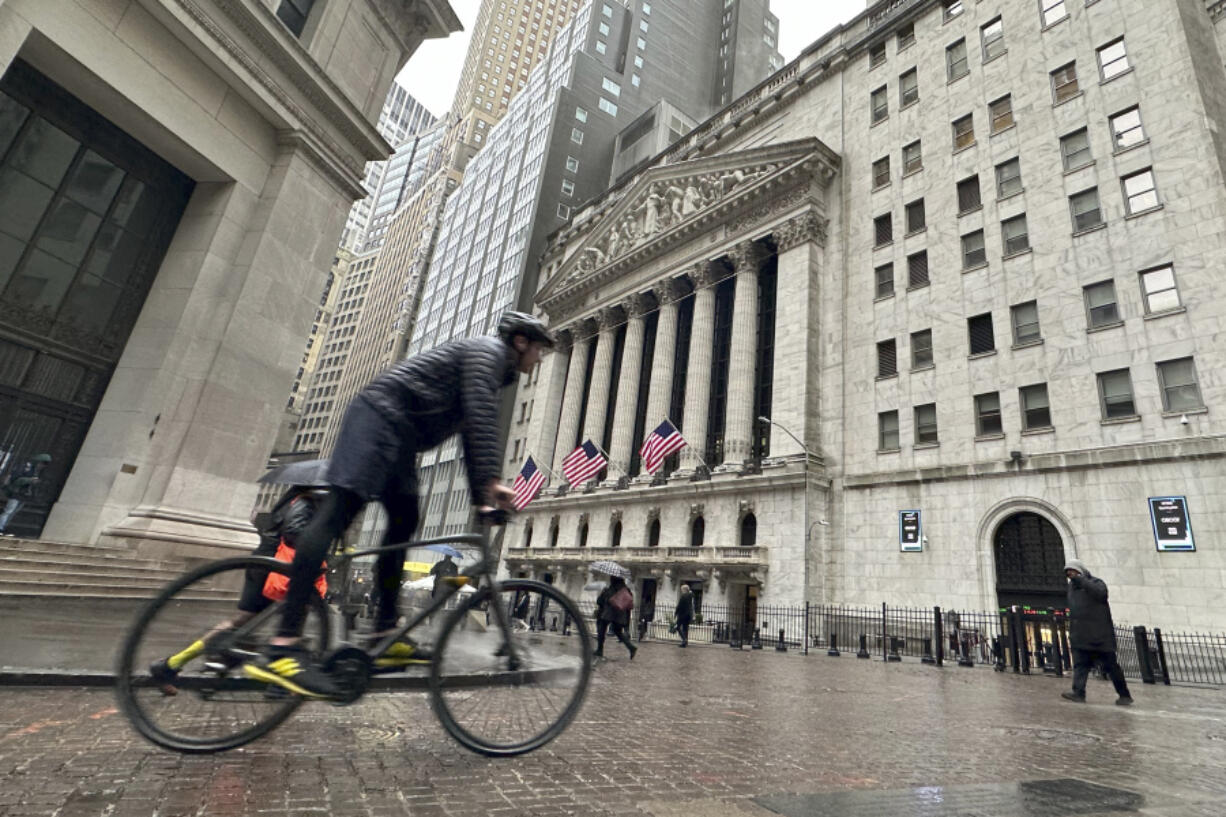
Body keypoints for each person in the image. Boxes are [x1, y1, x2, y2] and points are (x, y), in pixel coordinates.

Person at [243, 312, 553, 698]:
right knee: (336, 514)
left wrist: (481, 499)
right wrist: (491, 483)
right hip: (378, 419)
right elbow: (480, 419)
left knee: (405, 521)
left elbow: (470, 438)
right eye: (539, 348)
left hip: (400, 435)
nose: (540, 358)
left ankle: (385, 633)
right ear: (521, 342)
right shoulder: (487, 353)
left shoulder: (495, 370)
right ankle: (283, 647)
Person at [149, 483, 321, 694]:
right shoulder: (308, 500)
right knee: (295, 620)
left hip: (264, 562)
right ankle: (279, 682)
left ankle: (171, 665)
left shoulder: (294, 499)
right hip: (277, 567)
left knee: (241, 621)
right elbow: (294, 531)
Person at [1061, 558, 1133, 706]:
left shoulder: (1096, 583)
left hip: (1099, 637)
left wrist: (1082, 581)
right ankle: (1078, 692)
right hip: (1081, 636)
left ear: (1080, 571)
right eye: (1068, 573)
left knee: (1112, 667)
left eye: (1073, 572)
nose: (1071, 576)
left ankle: (1124, 695)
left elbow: (1101, 595)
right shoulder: (1071, 588)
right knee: (1080, 666)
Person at [0, 453, 50, 535]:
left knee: (12, 512)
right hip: (17, 493)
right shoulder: (26, 468)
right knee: (8, 511)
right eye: (42, 463)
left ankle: (3, 527)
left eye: (44, 464)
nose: (42, 466)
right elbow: (16, 480)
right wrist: (30, 480)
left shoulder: (36, 471)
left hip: (23, 495)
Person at [594, 576, 636, 660]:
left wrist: (603, 593)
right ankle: (631, 647)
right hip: (620, 615)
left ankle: (599, 649)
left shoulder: (610, 589)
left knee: (601, 630)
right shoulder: (626, 590)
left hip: (608, 614)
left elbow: (600, 601)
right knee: (618, 632)